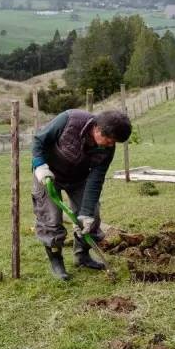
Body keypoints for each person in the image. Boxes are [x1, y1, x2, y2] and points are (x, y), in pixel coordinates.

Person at [32, 108, 131, 280]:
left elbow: (96, 178)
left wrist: (86, 212)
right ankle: (57, 262)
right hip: (48, 176)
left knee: (91, 216)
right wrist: (40, 165)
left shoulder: (108, 148)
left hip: (78, 179)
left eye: (114, 142)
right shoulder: (69, 120)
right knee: (51, 219)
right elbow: (39, 140)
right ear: (98, 129)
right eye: (108, 140)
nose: (110, 144)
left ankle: (82, 256)